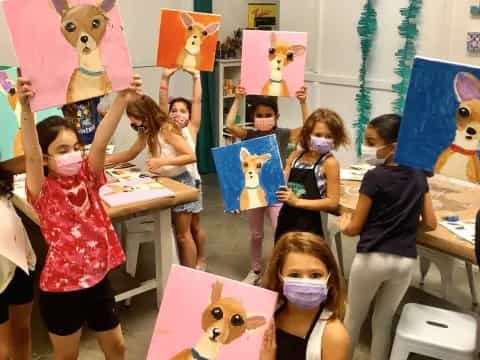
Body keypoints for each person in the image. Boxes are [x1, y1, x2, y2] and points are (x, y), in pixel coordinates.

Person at [18, 75, 142, 359]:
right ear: (47, 158)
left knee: (118, 348)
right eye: (62, 150)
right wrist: (26, 109)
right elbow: (32, 156)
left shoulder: (87, 175)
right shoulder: (42, 189)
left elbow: (99, 142)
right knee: (67, 357)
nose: (73, 155)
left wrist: (122, 98)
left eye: (75, 148)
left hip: (98, 280)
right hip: (61, 289)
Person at [338, 114, 437, 360]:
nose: (367, 147)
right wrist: (402, 225)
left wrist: (344, 225)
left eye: (372, 142)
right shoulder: (419, 176)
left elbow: (355, 227)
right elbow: (431, 223)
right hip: (405, 262)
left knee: (353, 318)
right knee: (383, 322)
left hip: (372, 258)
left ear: (393, 146)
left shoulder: (374, 177)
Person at [226, 86, 309, 285]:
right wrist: (238, 99)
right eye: (259, 115)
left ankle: (282, 268)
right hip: (254, 191)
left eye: (268, 115)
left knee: (280, 230)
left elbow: (308, 129)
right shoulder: (249, 135)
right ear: (253, 117)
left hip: (275, 190)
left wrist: (303, 102)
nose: (263, 118)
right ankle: (255, 270)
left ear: (276, 116)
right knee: (255, 233)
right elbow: (229, 125)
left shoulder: (282, 134)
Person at [108, 93, 197, 267]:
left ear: (146, 116)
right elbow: (130, 153)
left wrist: (163, 161)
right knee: (172, 231)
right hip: (165, 182)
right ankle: (178, 270)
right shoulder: (146, 130)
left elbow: (190, 156)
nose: (135, 126)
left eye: (136, 121)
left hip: (181, 183)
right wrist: (104, 159)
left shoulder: (167, 129)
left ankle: (191, 274)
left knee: (183, 235)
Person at [260, 232, 349, 360]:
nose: (305, 282)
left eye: (315, 275)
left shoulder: (333, 336)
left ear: (330, 278)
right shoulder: (265, 314)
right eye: (295, 275)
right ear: (279, 277)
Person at [275, 108, 350, 241]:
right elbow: (280, 184)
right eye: (318, 134)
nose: (323, 139)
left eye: (329, 136)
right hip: (285, 219)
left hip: (310, 224)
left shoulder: (330, 163)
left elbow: (332, 203)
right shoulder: (295, 156)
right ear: (308, 134)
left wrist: (297, 201)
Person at [159, 67, 207, 270]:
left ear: (189, 116)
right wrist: (165, 78)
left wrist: (196, 77)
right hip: (171, 182)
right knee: (184, 229)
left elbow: (197, 101)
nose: (177, 113)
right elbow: (161, 103)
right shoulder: (165, 128)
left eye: (183, 110)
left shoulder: (190, 129)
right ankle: (193, 262)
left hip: (191, 181)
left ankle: (200, 260)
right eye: (174, 110)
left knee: (192, 227)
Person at [0, 157, 36, 360]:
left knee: (22, 332)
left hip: (17, 259)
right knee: (2, 351)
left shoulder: (3, 170)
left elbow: (34, 158)